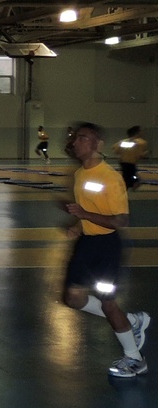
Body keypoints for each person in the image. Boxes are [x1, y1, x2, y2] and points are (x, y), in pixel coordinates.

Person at [62, 122, 150, 378]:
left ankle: (135, 358)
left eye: (83, 138)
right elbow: (87, 208)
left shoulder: (110, 178)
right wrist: (78, 225)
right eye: (76, 138)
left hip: (109, 246)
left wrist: (84, 214)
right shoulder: (80, 174)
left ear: (97, 144)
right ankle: (133, 321)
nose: (76, 143)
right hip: (87, 243)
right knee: (73, 298)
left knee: (109, 304)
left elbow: (121, 220)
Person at [113, 126, 149, 190]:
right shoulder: (140, 143)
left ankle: (127, 187)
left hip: (123, 162)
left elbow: (116, 150)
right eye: (140, 131)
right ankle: (126, 189)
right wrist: (146, 153)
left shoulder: (123, 142)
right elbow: (140, 155)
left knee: (127, 177)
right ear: (137, 132)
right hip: (131, 163)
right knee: (133, 178)